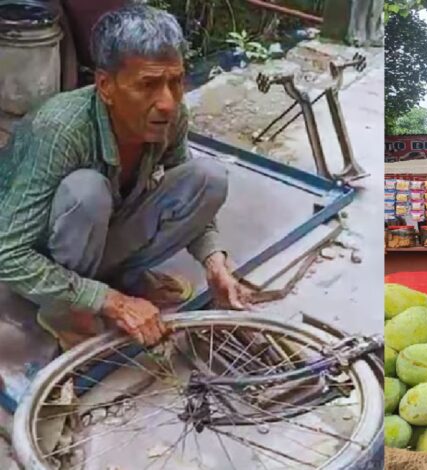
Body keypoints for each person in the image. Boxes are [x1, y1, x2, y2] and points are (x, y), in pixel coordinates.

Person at [0, 5, 251, 349]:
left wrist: (215, 261)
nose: (166, 102)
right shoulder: (58, 130)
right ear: (105, 85)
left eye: (175, 81)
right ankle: (66, 309)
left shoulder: (170, 115)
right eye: (148, 84)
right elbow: (8, 254)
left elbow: (183, 189)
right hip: (48, 252)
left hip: (103, 235)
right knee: (86, 191)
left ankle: (122, 278)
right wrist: (111, 303)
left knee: (208, 178)